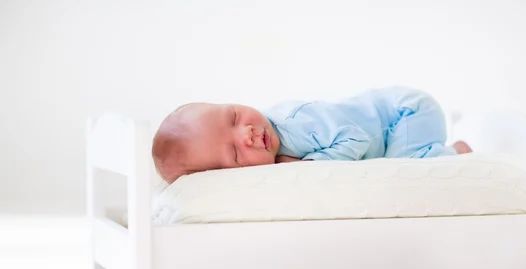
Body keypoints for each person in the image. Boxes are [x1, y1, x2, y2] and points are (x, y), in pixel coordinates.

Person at [152, 86, 472, 184]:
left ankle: (457, 152)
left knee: (408, 166)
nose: (246, 134)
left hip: (406, 113)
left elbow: (356, 140)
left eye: (234, 116)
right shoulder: (273, 150)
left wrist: (311, 164)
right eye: (236, 154)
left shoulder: (297, 122)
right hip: (397, 123)